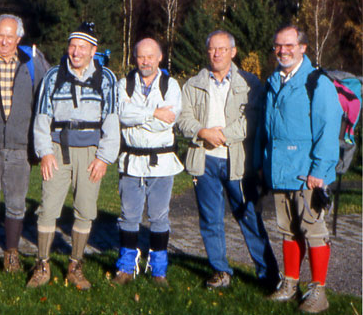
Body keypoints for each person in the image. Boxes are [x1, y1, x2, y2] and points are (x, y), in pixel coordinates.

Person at [176, 30, 278, 290]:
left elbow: (252, 121)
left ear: (233, 52)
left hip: (238, 162)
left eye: (222, 49)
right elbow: (183, 118)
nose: (217, 53)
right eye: (212, 49)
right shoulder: (193, 84)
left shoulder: (250, 83)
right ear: (207, 51)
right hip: (204, 161)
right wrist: (202, 132)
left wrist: (221, 135)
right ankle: (220, 271)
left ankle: (268, 275)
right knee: (210, 220)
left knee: (249, 218)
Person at [27, 22, 119, 290]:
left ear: (93, 50)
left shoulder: (106, 78)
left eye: (82, 47)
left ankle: (75, 265)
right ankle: (42, 264)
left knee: (85, 209)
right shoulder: (53, 76)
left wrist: (104, 158)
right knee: (48, 208)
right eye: (72, 46)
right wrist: (44, 153)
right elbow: (41, 118)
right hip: (57, 150)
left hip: (91, 153)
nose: (76, 52)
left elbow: (112, 121)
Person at [259, 25, 342, 313]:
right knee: (287, 230)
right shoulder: (273, 81)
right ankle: (290, 284)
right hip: (280, 171)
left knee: (314, 230)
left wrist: (319, 171)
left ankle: (319, 292)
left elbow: (328, 130)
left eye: (289, 45)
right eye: (278, 46)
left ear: (303, 47)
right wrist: (262, 164)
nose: (283, 51)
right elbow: (266, 130)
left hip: (308, 174)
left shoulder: (317, 83)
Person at [0, 14, 49, 273]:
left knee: (17, 203)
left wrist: (39, 144)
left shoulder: (33, 64)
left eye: (9, 36)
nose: (4, 41)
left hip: (20, 146)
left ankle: (11, 254)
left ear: (19, 38)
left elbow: (44, 103)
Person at [112, 38, 183, 287]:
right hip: (131, 160)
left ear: (160, 57)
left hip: (161, 161)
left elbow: (168, 121)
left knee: (159, 217)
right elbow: (122, 114)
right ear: (135, 57)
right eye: (141, 56)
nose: (146, 61)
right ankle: (126, 267)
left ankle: (159, 270)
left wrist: (140, 117)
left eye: (150, 56)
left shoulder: (171, 85)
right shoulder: (125, 84)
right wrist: (153, 112)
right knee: (128, 216)